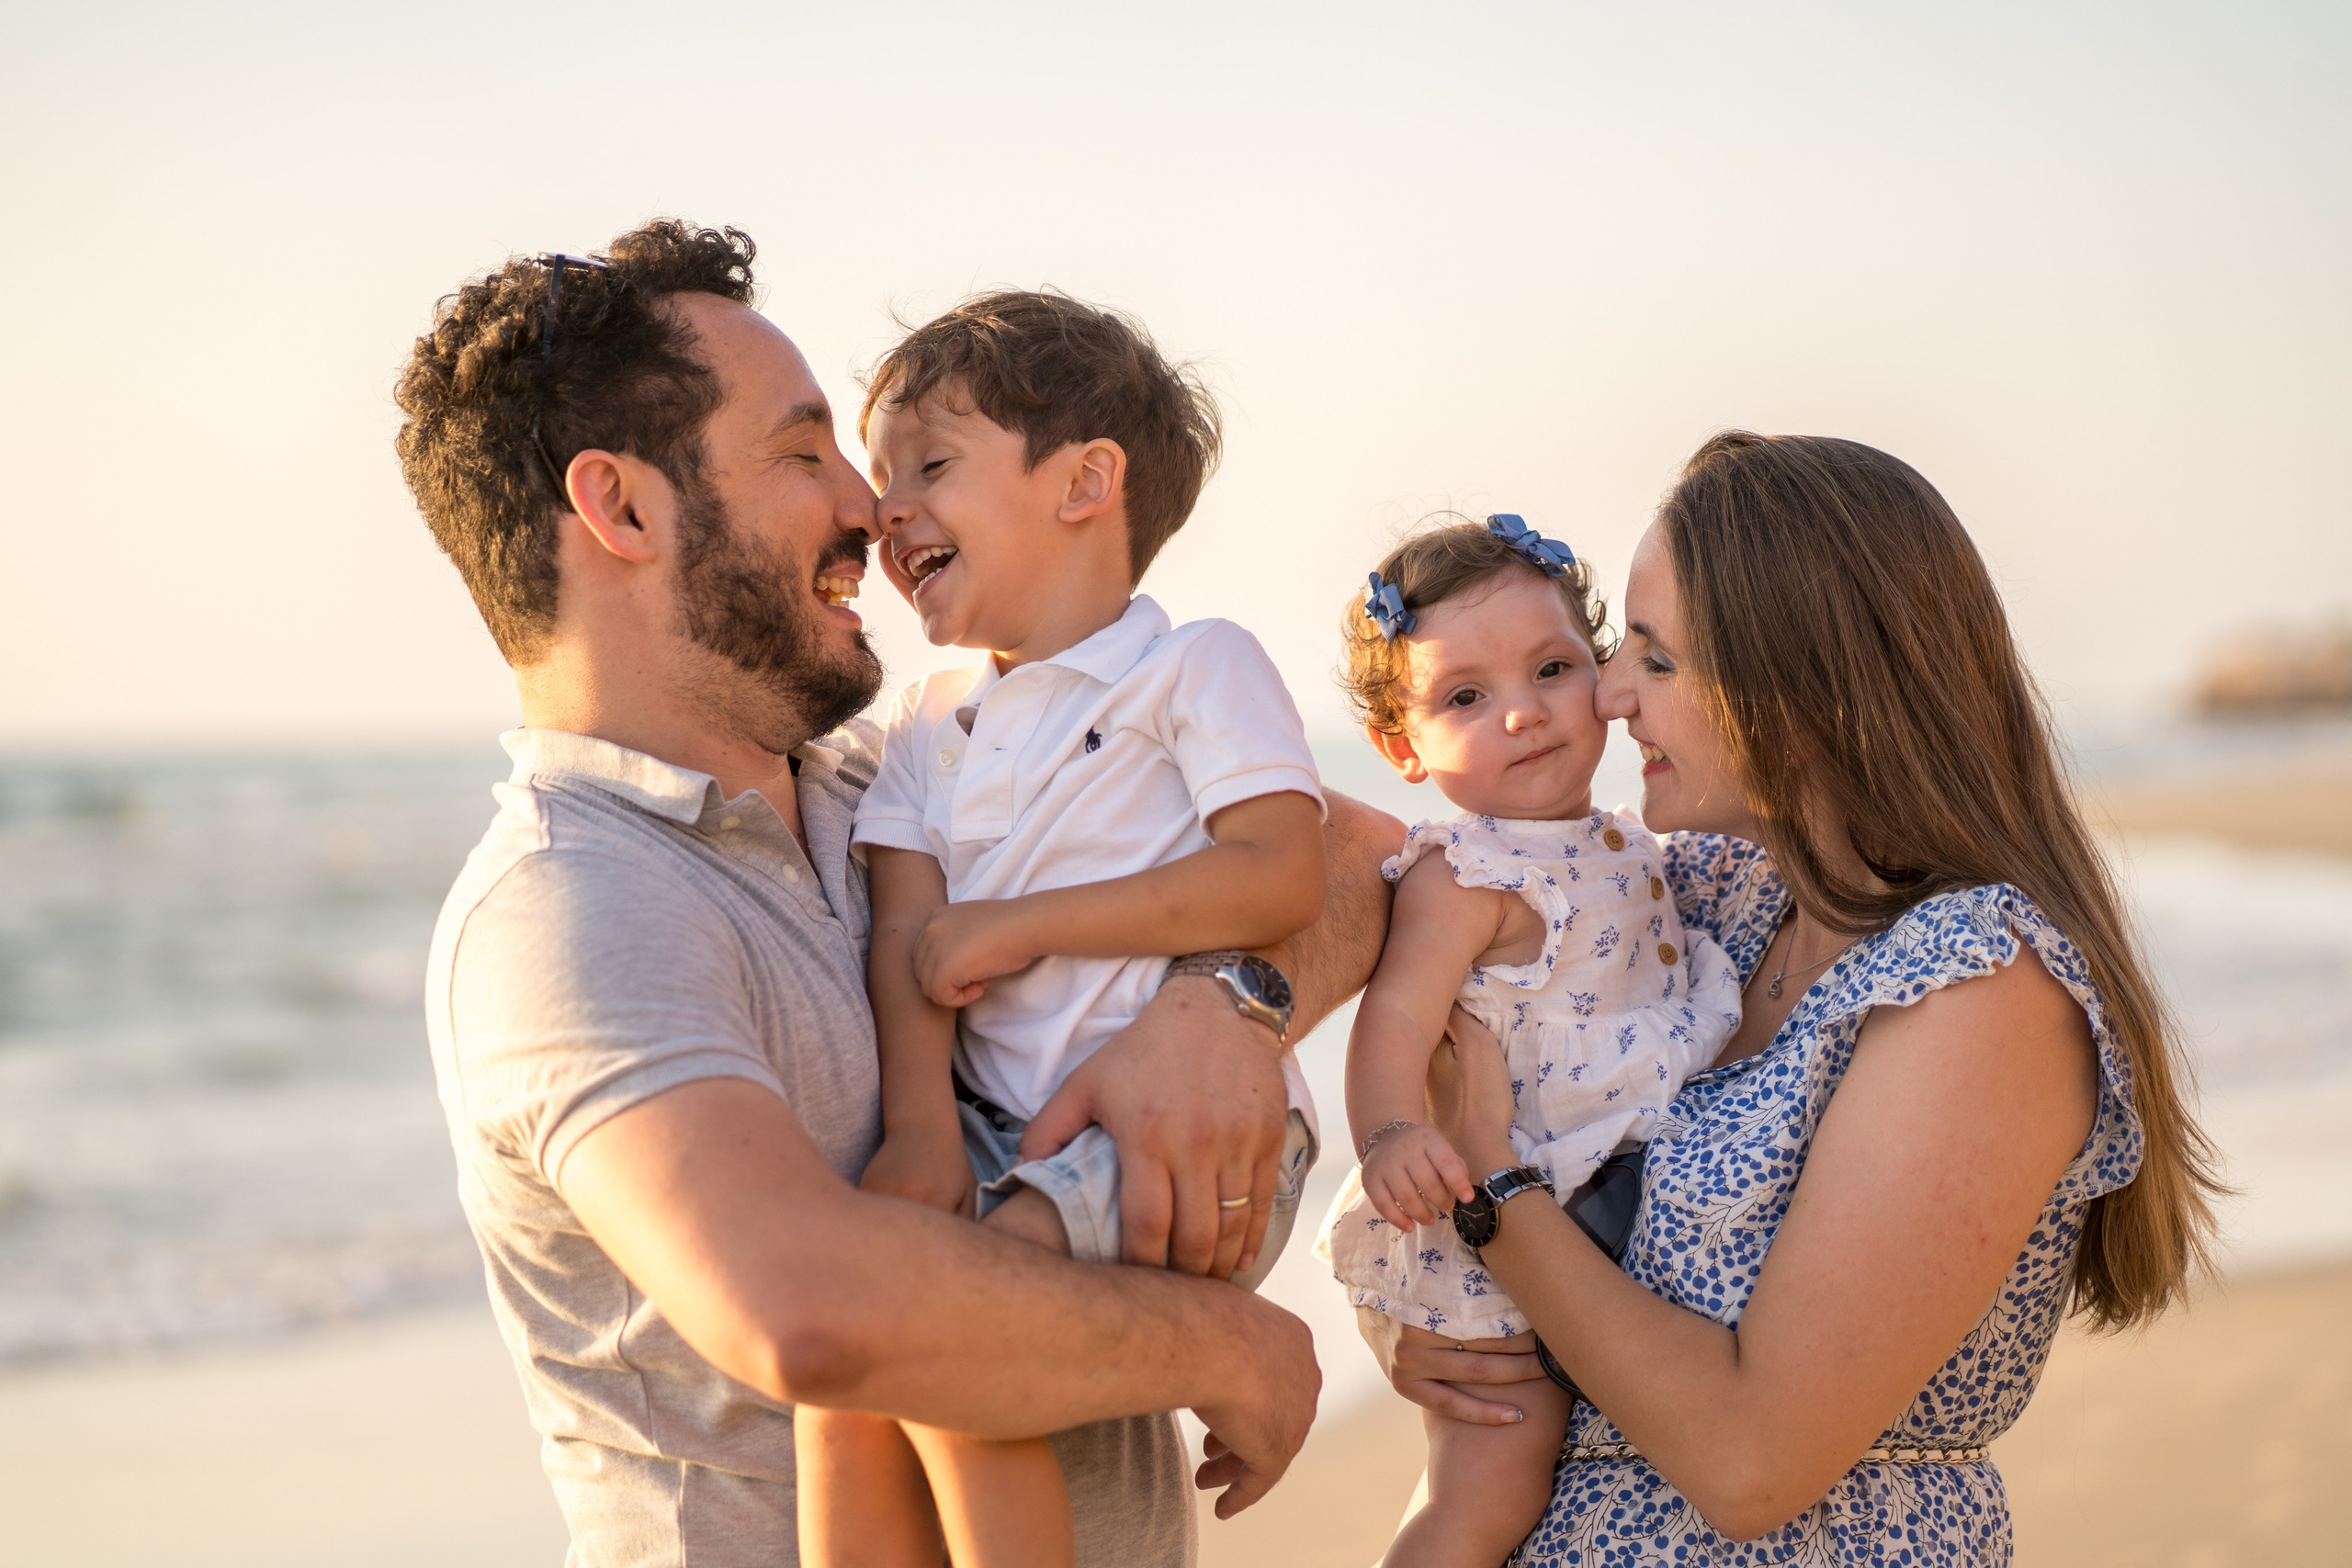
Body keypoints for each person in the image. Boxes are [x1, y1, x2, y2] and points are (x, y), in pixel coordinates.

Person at [392, 220, 1396, 1567]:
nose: (870, 506)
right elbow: (809, 1309)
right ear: (624, 508)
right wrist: (1229, 1341)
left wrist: (1226, 1007)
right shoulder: (567, 910)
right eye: (806, 453)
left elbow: (1354, 852)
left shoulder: (903, 766)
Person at [1364, 433, 2221, 1564]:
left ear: (1805, 696)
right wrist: (1221, 1011)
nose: (1610, 695)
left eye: (1657, 661)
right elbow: (1363, 858)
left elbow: (1749, 1462)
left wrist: (1491, 1195)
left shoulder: (1980, 985)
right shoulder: (1720, 900)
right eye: (1620, 650)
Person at [796, 291, 1329, 1566]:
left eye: (930, 465)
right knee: (849, 1386)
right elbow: (909, 934)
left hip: (1181, 1146)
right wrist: (922, 1128)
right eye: (884, 480)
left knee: (958, 1347)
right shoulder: (930, 718)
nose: (886, 512)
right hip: (991, 1134)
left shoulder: (1192, 667)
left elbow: (1280, 872)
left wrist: (1028, 923)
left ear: (1087, 481)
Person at [1312, 514, 1741, 1568]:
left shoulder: (1630, 839)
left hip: (1591, 1179)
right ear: (1400, 746)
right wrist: (1394, 1134)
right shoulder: (1464, 873)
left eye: (1551, 668)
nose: (1522, 714)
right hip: (1494, 1208)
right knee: (1489, 1486)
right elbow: (1400, 1022)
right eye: (1465, 696)